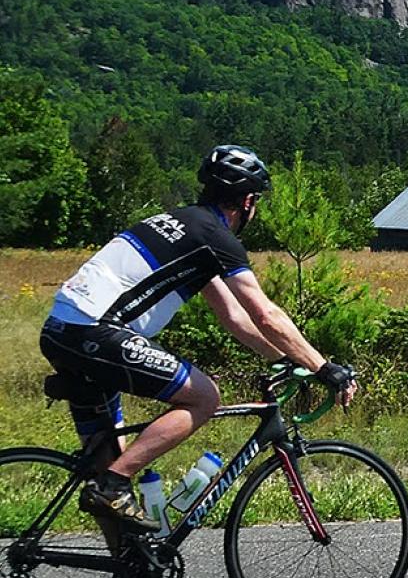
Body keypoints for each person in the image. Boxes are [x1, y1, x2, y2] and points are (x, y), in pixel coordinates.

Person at [38, 144, 356, 532]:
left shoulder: (178, 225)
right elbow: (263, 312)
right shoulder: (214, 236)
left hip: (62, 332)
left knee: (110, 458)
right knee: (203, 396)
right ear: (248, 201)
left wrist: (282, 360)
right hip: (95, 332)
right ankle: (112, 484)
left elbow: (235, 318)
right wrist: (324, 367)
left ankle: (128, 571)